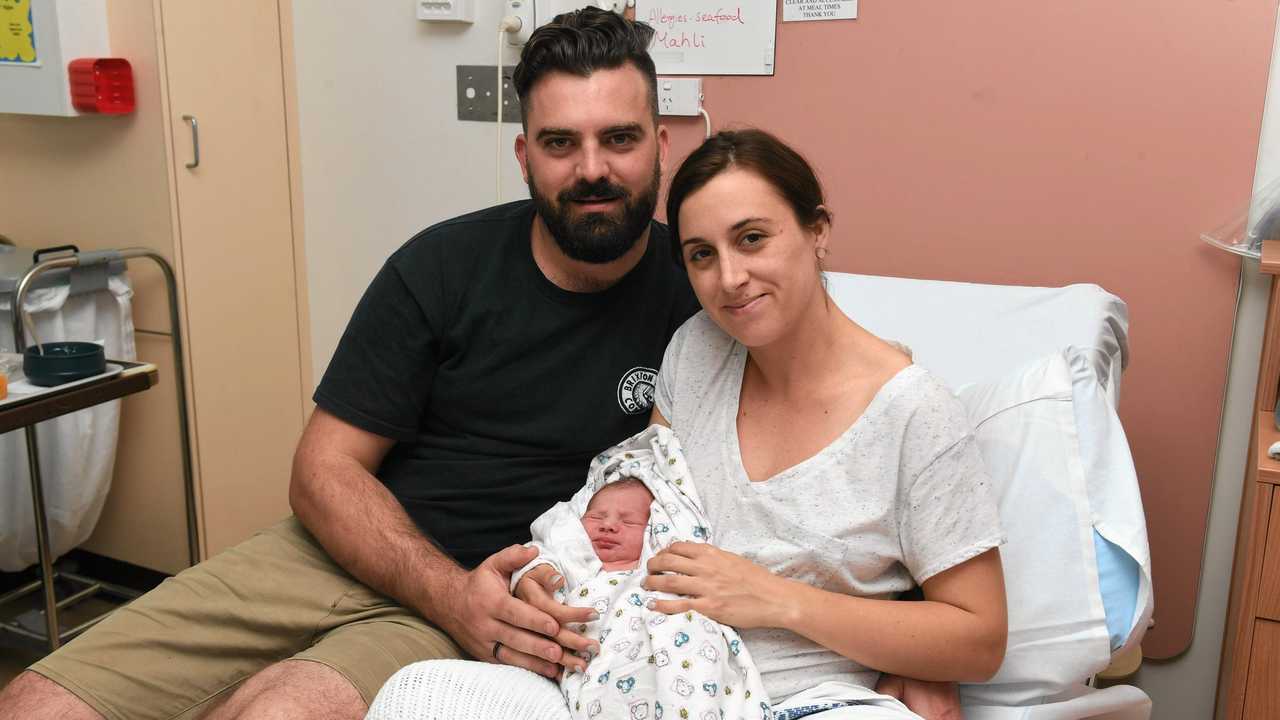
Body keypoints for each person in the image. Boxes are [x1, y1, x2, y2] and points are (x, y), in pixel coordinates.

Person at [0, 9, 695, 720]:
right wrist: (441, 589)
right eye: (559, 143)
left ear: (660, 146)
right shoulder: (442, 267)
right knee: (33, 703)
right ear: (523, 157)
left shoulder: (700, 300)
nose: (592, 169)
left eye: (619, 138)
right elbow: (322, 469)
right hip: (337, 554)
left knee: (273, 712)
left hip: (489, 590)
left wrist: (467, 599)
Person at [648, 128, 1009, 715]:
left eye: (752, 238)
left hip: (811, 700)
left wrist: (775, 600)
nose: (730, 278)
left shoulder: (913, 414)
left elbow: (980, 639)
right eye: (702, 255)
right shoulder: (697, 354)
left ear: (818, 232)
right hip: (651, 675)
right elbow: (640, 511)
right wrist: (558, 574)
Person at [513, 425, 772, 720]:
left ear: (654, 529)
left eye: (630, 521)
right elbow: (537, 562)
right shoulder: (571, 563)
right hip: (598, 659)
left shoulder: (659, 566)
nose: (608, 525)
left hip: (666, 646)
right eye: (597, 516)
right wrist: (534, 571)